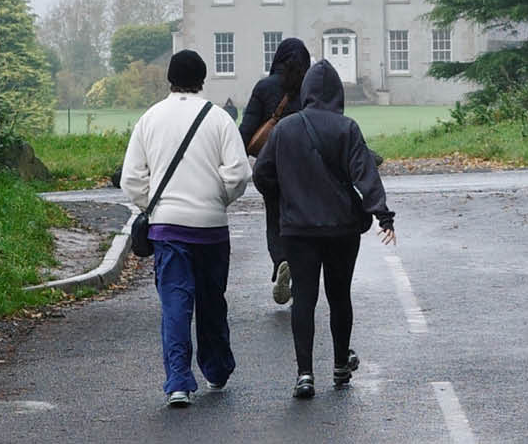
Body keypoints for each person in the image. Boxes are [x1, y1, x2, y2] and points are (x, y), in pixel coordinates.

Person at [251, 59, 395, 400]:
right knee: (339, 296)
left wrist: (285, 196)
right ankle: (340, 365)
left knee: (304, 297)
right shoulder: (347, 128)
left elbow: (261, 175)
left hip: (298, 229)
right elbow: (365, 174)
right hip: (342, 229)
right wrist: (383, 215)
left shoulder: (285, 129)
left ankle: (305, 374)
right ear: (337, 94)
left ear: (307, 92)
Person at [120, 50, 251, 408]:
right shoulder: (218, 118)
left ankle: (178, 381)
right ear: (202, 80)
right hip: (211, 227)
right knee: (212, 300)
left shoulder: (149, 119)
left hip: (168, 228)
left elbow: (131, 178)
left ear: (170, 79)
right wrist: (218, 199)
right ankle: (217, 369)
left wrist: (152, 204)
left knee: (176, 304)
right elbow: (239, 174)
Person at [238, 36, 311, 306]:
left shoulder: (264, 87)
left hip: (272, 169)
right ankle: (302, 274)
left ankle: (281, 260)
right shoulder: (310, 86)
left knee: (275, 218)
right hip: (306, 169)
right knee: (305, 221)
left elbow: (246, 132)